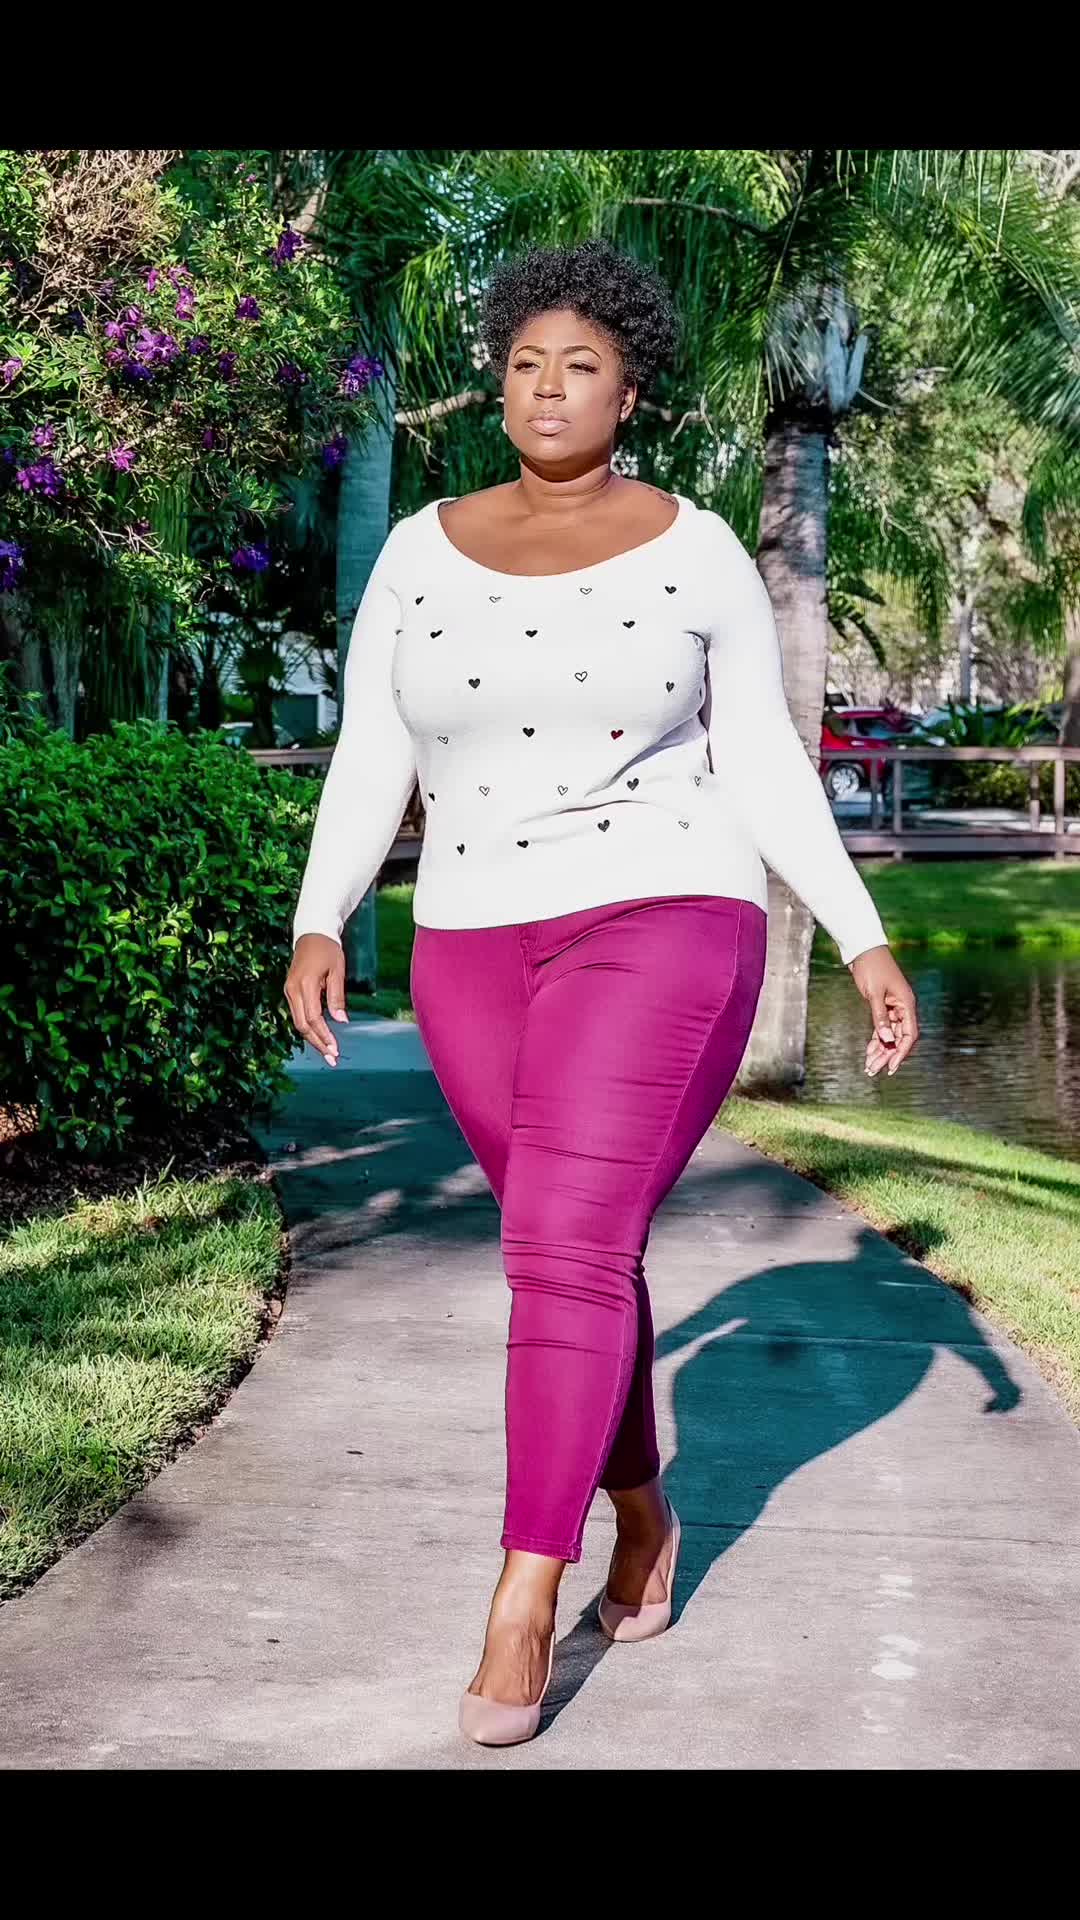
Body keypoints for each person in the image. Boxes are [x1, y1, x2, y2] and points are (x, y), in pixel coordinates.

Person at [285, 238, 919, 1747]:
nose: (548, 388)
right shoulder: (422, 549)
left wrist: (860, 931)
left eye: (581, 366)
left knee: (563, 1244)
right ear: (498, 384)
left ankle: (522, 1596)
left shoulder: (696, 549)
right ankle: (642, 1512)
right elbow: (375, 747)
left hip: (665, 912)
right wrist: (321, 916)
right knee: (569, 1249)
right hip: (469, 942)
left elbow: (762, 757)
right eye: (524, 364)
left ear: (630, 393)